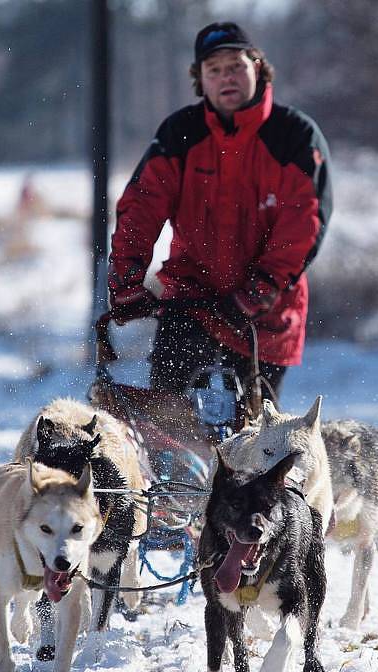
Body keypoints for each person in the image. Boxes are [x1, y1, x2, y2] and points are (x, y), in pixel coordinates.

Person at [108, 21, 332, 401]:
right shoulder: (181, 132)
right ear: (201, 79)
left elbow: (303, 222)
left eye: (235, 66)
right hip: (190, 300)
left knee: (255, 443)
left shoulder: (294, 135)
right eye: (214, 70)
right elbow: (141, 208)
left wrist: (261, 288)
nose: (226, 77)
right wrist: (127, 280)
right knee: (170, 429)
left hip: (265, 312)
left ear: (257, 68)